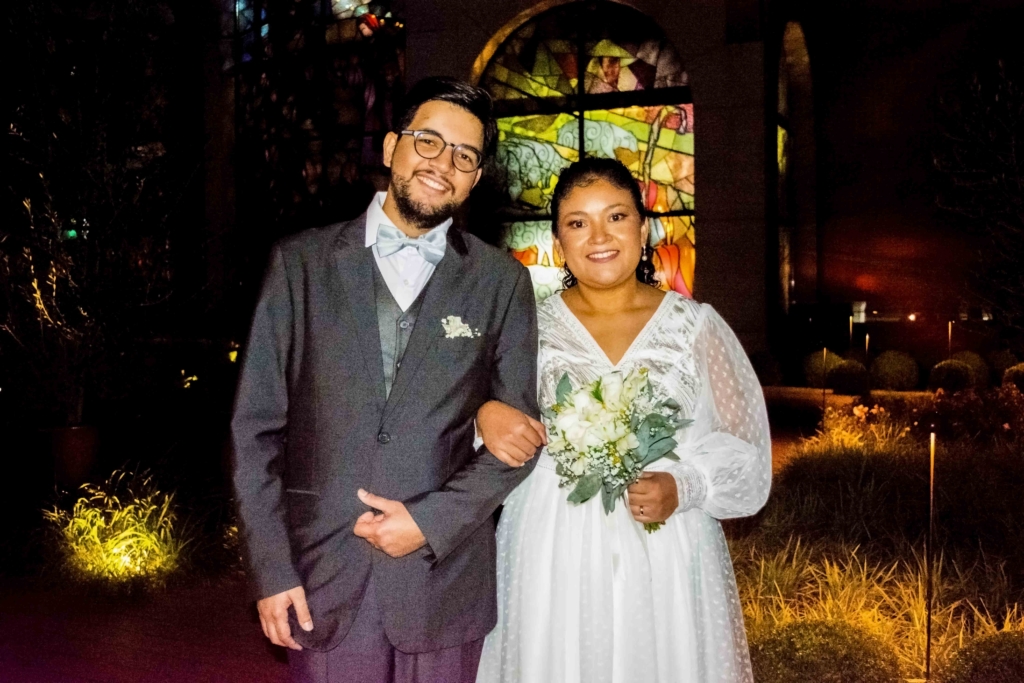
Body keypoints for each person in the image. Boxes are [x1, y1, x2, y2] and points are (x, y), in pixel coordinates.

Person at [230, 76, 546, 683]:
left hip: (443, 576)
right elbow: (256, 431)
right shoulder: (300, 263)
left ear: (475, 177)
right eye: (428, 142)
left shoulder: (501, 282)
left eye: (464, 156)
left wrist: (430, 522)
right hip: (322, 570)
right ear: (391, 147)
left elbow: (518, 438)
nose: (442, 164)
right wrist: (272, 569)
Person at [474, 158, 772, 683]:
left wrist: (686, 484)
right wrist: (485, 411)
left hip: (666, 541)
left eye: (616, 216)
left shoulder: (695, 326)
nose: (599, 236)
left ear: (644, 226)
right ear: (557, 239)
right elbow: (473, 417)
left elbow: (745, 449)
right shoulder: (524, 326)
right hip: (551, 542)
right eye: (577, 222)